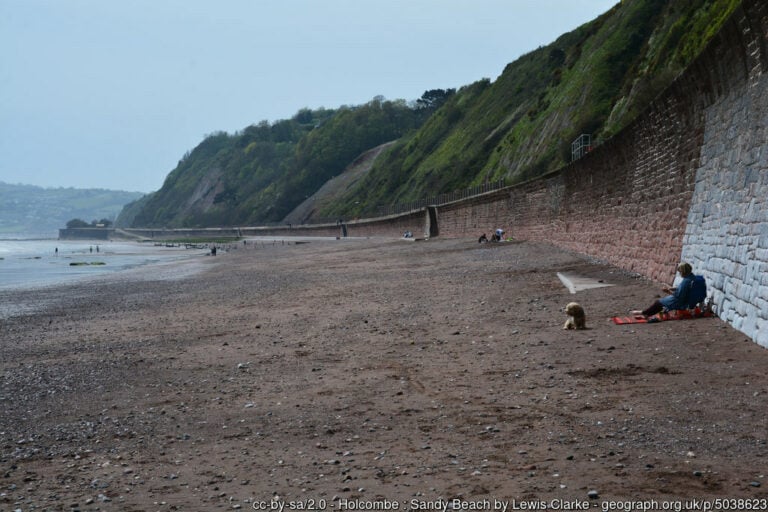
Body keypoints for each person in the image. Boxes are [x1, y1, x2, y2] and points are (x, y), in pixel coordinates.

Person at [631, 262, 698, 317]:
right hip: (686, 299)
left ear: (683, 271)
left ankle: (644, 312)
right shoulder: (691, 277)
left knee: (659, 303)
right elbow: (683, 289)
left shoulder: (686, 281)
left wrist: (668, 291)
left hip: (680, 302)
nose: (680, 273)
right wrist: (671, 288)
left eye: (680, 272)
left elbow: (679, 296)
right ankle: (646, 313)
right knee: (660, 302)